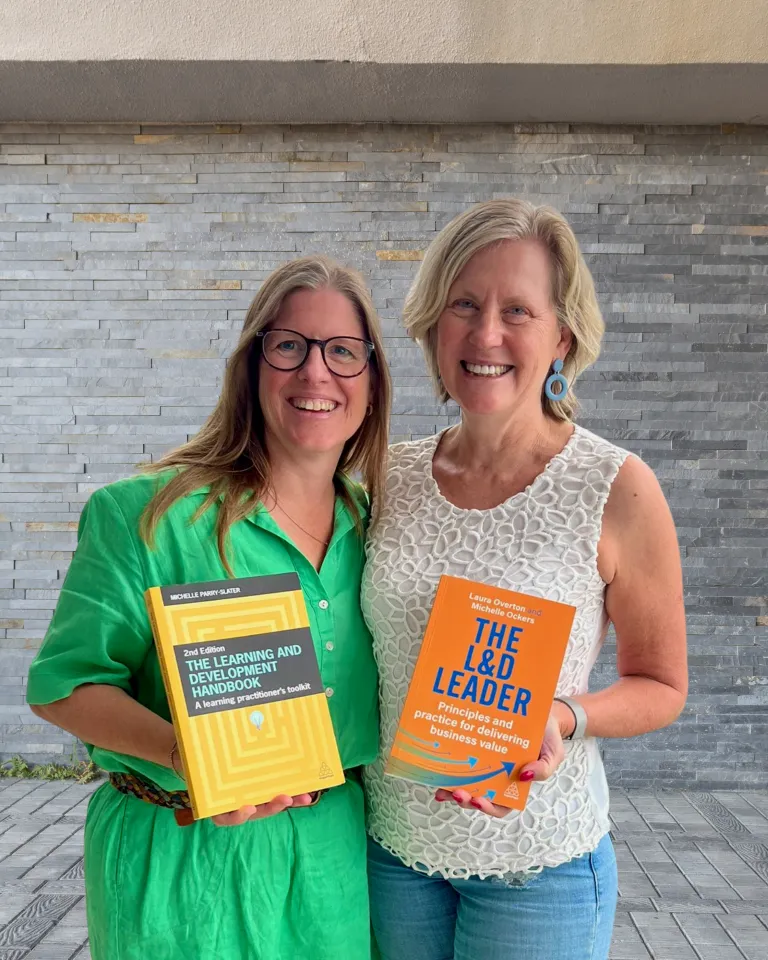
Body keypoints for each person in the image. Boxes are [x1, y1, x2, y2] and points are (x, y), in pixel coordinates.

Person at [26, 255, 392, 960]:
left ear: (372, 384)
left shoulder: (382, 527)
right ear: (251, 369)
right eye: (289, 346)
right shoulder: (148, 515)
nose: (316, 373)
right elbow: (63, 686)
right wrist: (185, 753)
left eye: (343, 352)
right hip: (182, 858)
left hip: (333, 862)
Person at [362, 199, 688, 960]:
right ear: (433, 325)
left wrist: (565, 715)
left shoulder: (618, 487)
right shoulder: (385, 476)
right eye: (464, 306)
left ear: (562, 337)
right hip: (392, 852)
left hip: (539, 867)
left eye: (518, 310)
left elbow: (662, 685)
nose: (486, 335)